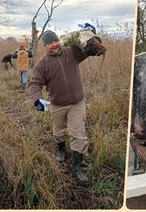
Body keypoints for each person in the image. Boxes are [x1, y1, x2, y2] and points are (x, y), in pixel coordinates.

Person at [28, 29, 101, 185]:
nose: (54, 45)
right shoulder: (43, 64)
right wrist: (37, 100)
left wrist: (91, 36)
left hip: (77, 103)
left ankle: (77, 168)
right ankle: (61, 148)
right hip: (57, 104)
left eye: (55, 41)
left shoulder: (71, 52)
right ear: (45, 46)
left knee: (78, 134)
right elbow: (34, 84)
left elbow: (89, 50)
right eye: (49, 43)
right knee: (60, 131)